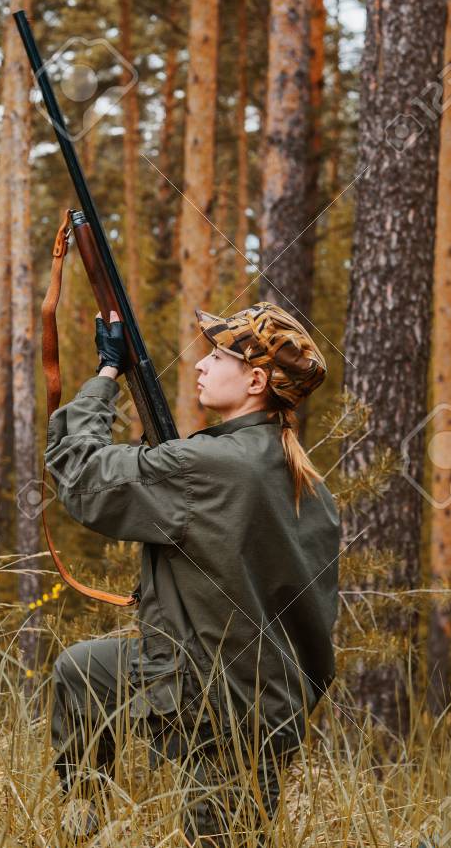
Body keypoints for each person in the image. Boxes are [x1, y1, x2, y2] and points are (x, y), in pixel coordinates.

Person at [43, 301, 341, 846]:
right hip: (266, 702)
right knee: (83, 672)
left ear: (255, 379)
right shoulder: (311, 487)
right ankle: (85, 821)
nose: (201, 364)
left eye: (218, 354)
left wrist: (106, 375)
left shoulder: (210, 465)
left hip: (217, 706)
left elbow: (81, 477)